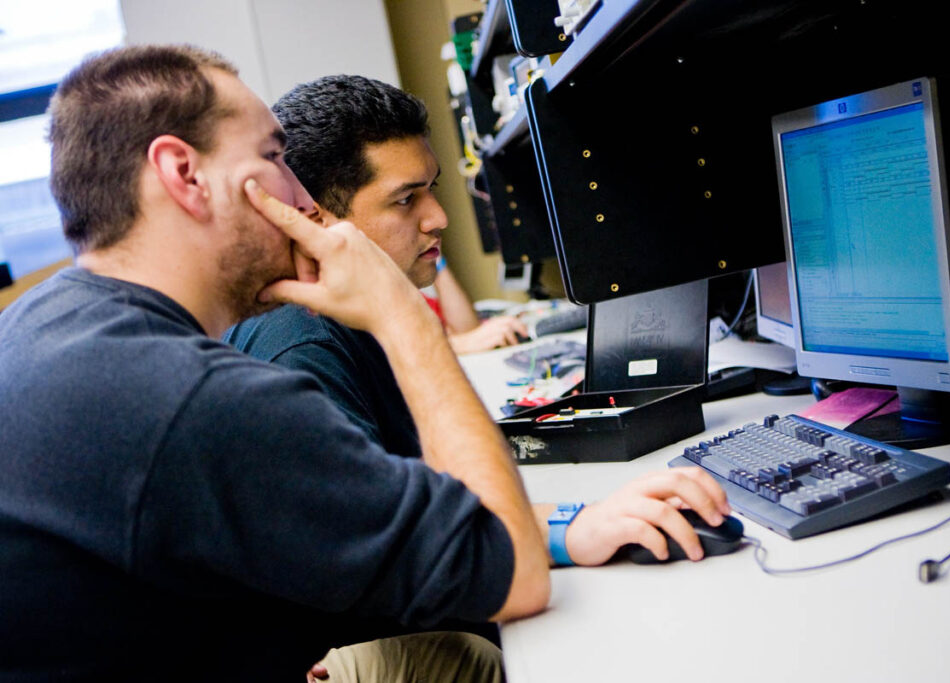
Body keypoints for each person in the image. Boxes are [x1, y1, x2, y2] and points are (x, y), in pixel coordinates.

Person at [0, 46, 728, 681]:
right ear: (183, 174)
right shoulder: (192, 398)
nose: (299, 194)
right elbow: (512, 573)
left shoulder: (45, 324)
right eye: (275, 157)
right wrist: (403, 312)